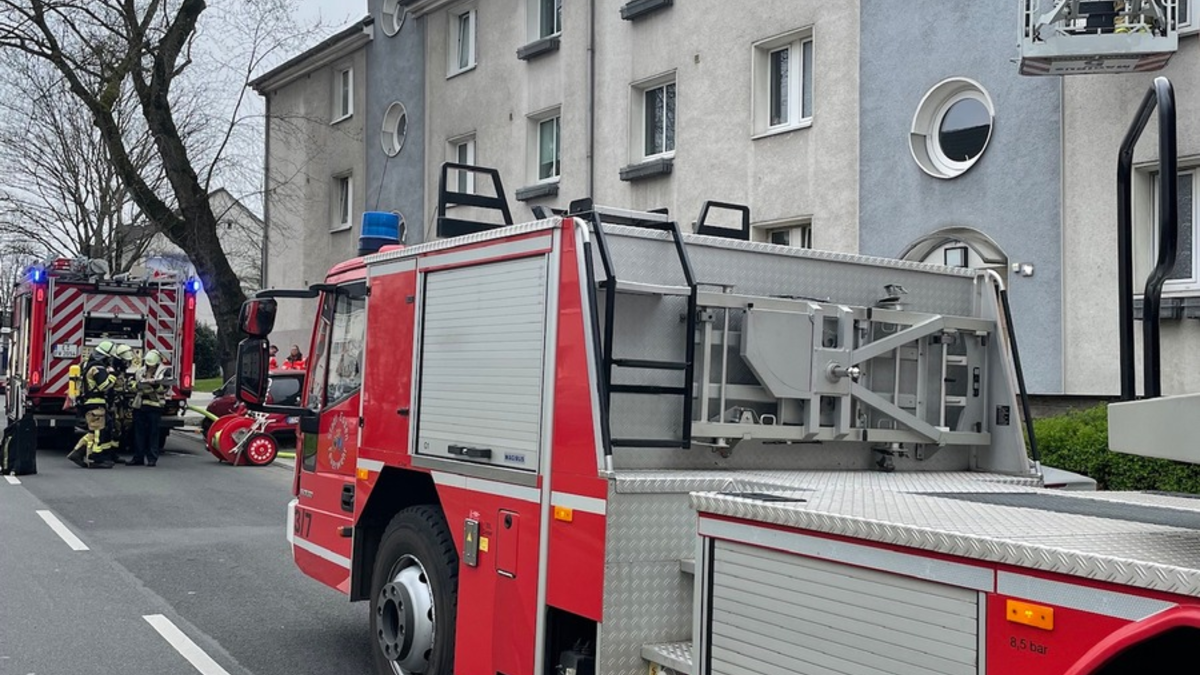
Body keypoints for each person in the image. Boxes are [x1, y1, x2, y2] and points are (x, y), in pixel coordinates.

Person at [67, 340, 118, 469]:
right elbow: (104, 386)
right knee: (97, 432)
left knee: (94, 431)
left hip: (89, 403)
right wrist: (112, 375)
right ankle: (95, 459)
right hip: (96, 403)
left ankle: (77, 453)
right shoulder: (98, 368)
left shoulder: (86, 364)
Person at [129, 349, 169, 467]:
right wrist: (137, 385)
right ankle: (138, 458)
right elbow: (133, 386)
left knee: (153, 433)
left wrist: (155, 385)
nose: (149, 367)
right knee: (139, 433)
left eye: (151, 365)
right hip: (140, 406)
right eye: (147, 364)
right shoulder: (140, 372)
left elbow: (165, 389)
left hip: (155, 407)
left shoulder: (163, 373)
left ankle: (152, 459)